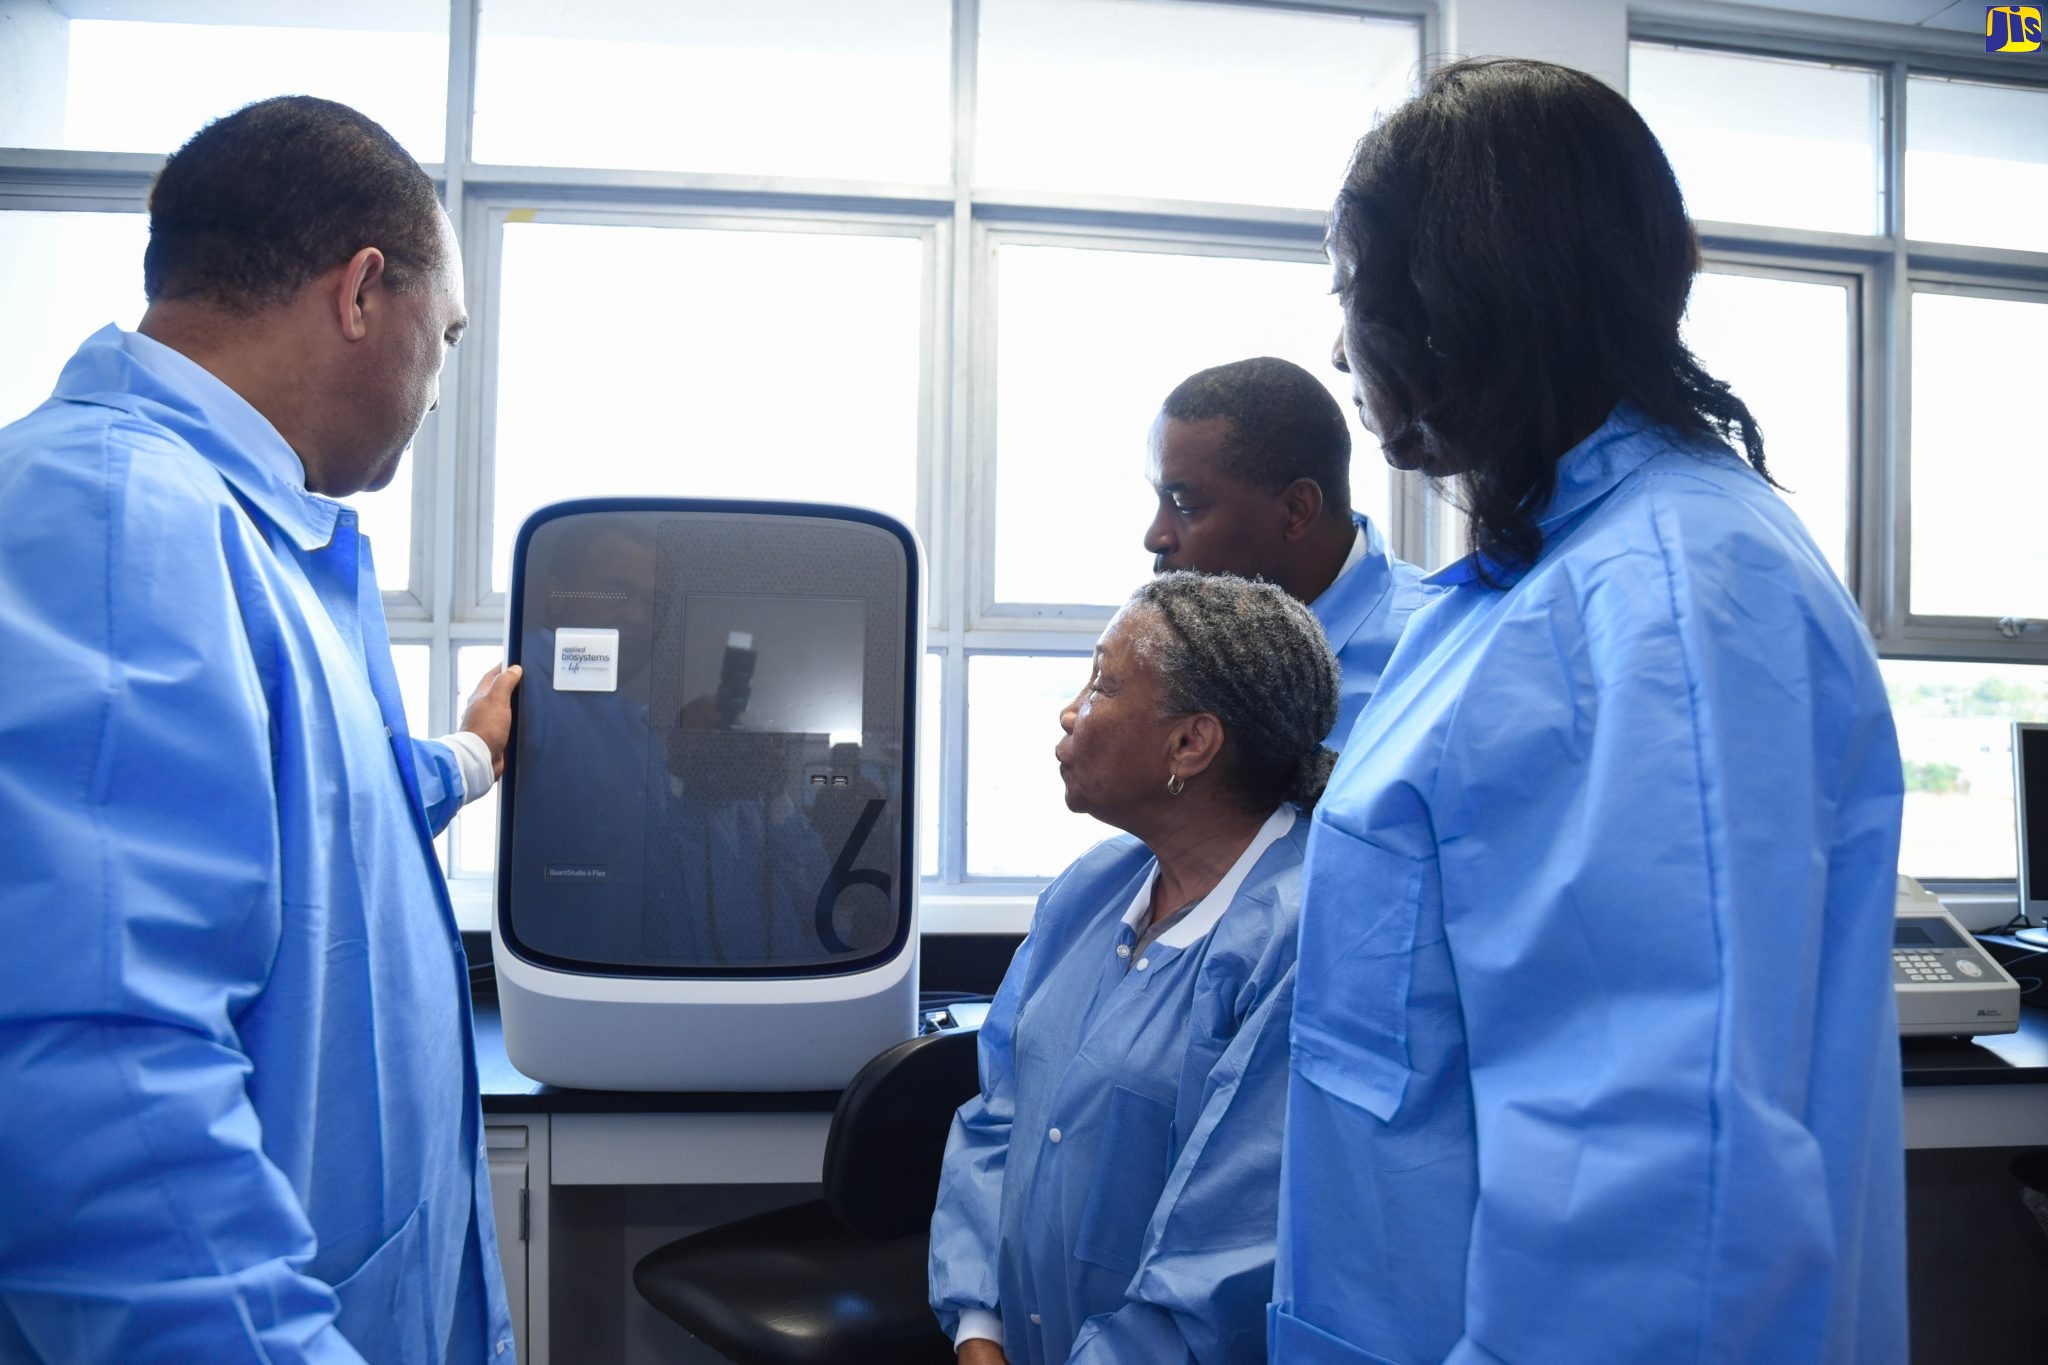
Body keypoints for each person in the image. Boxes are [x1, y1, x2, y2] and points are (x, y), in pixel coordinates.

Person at [1270, 59, 1906, 1364]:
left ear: (1460, 295)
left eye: (1354, 289)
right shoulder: (1542, 576)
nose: (1341, 344)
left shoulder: (1664, 604)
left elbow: (1663, 1191)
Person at [0, 97, 522, 1364]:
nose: (437, 385)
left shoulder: (245, 528)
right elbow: (101, 1090)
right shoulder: (116, 518)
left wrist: (470, 759)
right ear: (360, 293)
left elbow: (313, 811)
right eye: (442, 336)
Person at [931, 572, 1340, 1365]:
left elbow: (1230, 1247)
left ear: (1191, 743)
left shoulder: (1296, 937)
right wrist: (980, 1326)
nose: (1070, 708)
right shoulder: (1091, 891)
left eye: (1102, 682)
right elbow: (999, 1117)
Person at [1143, 356, 1434, 748]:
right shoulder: (1178, 645)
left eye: (1185, 506)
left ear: (1296, 511)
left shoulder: (1434, 658)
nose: (1155, 537)